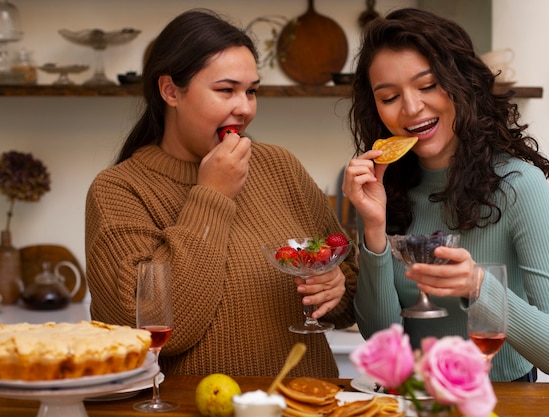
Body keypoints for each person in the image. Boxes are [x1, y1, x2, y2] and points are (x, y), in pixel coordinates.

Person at [85, 8, 357, 378]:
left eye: (252, 92)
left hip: (308, 404)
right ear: (170, 91)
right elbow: (156, 333)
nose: (244, 108)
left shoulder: (280, 167)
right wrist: (212, 194)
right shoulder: (118, 190)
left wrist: (336, 287)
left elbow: (348, 297)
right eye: (226, 90)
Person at [342, 8, 549, 383]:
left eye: (427, 85)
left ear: (461, 82)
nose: (411, 108)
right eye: (389, 97)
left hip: (503, 400)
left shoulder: (518, 185)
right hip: (414, 400)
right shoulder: (381, 189)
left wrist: (479, 286)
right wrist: (373, 229)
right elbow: (382, 341)